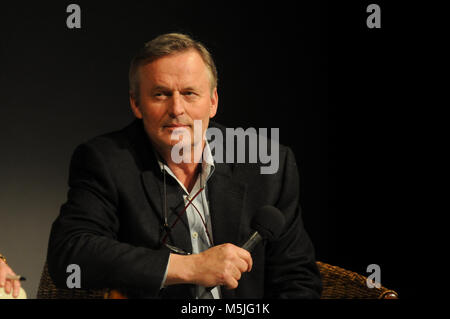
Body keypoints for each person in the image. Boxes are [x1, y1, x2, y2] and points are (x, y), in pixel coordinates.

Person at [46, 33, 322, 298]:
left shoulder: (266, 164)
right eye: (161, 94)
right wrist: (192, 267)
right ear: (136, 103)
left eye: (189, 93)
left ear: (212, 102)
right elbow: (70, 254)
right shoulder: (106, 160)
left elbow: (296, 278)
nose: (177, 109)